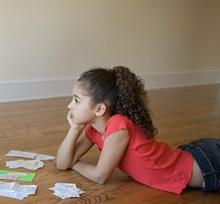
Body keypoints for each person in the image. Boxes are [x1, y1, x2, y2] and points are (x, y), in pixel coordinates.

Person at [56, 66, 219, 194]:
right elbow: (61, 164)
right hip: (196, 158)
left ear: (99, 109)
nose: (69, 106)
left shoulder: (118, 125)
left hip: (208, 164)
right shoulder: (93, 130)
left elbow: (100, 176)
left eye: (76, 100)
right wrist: (74, 130)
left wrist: (74, 163)